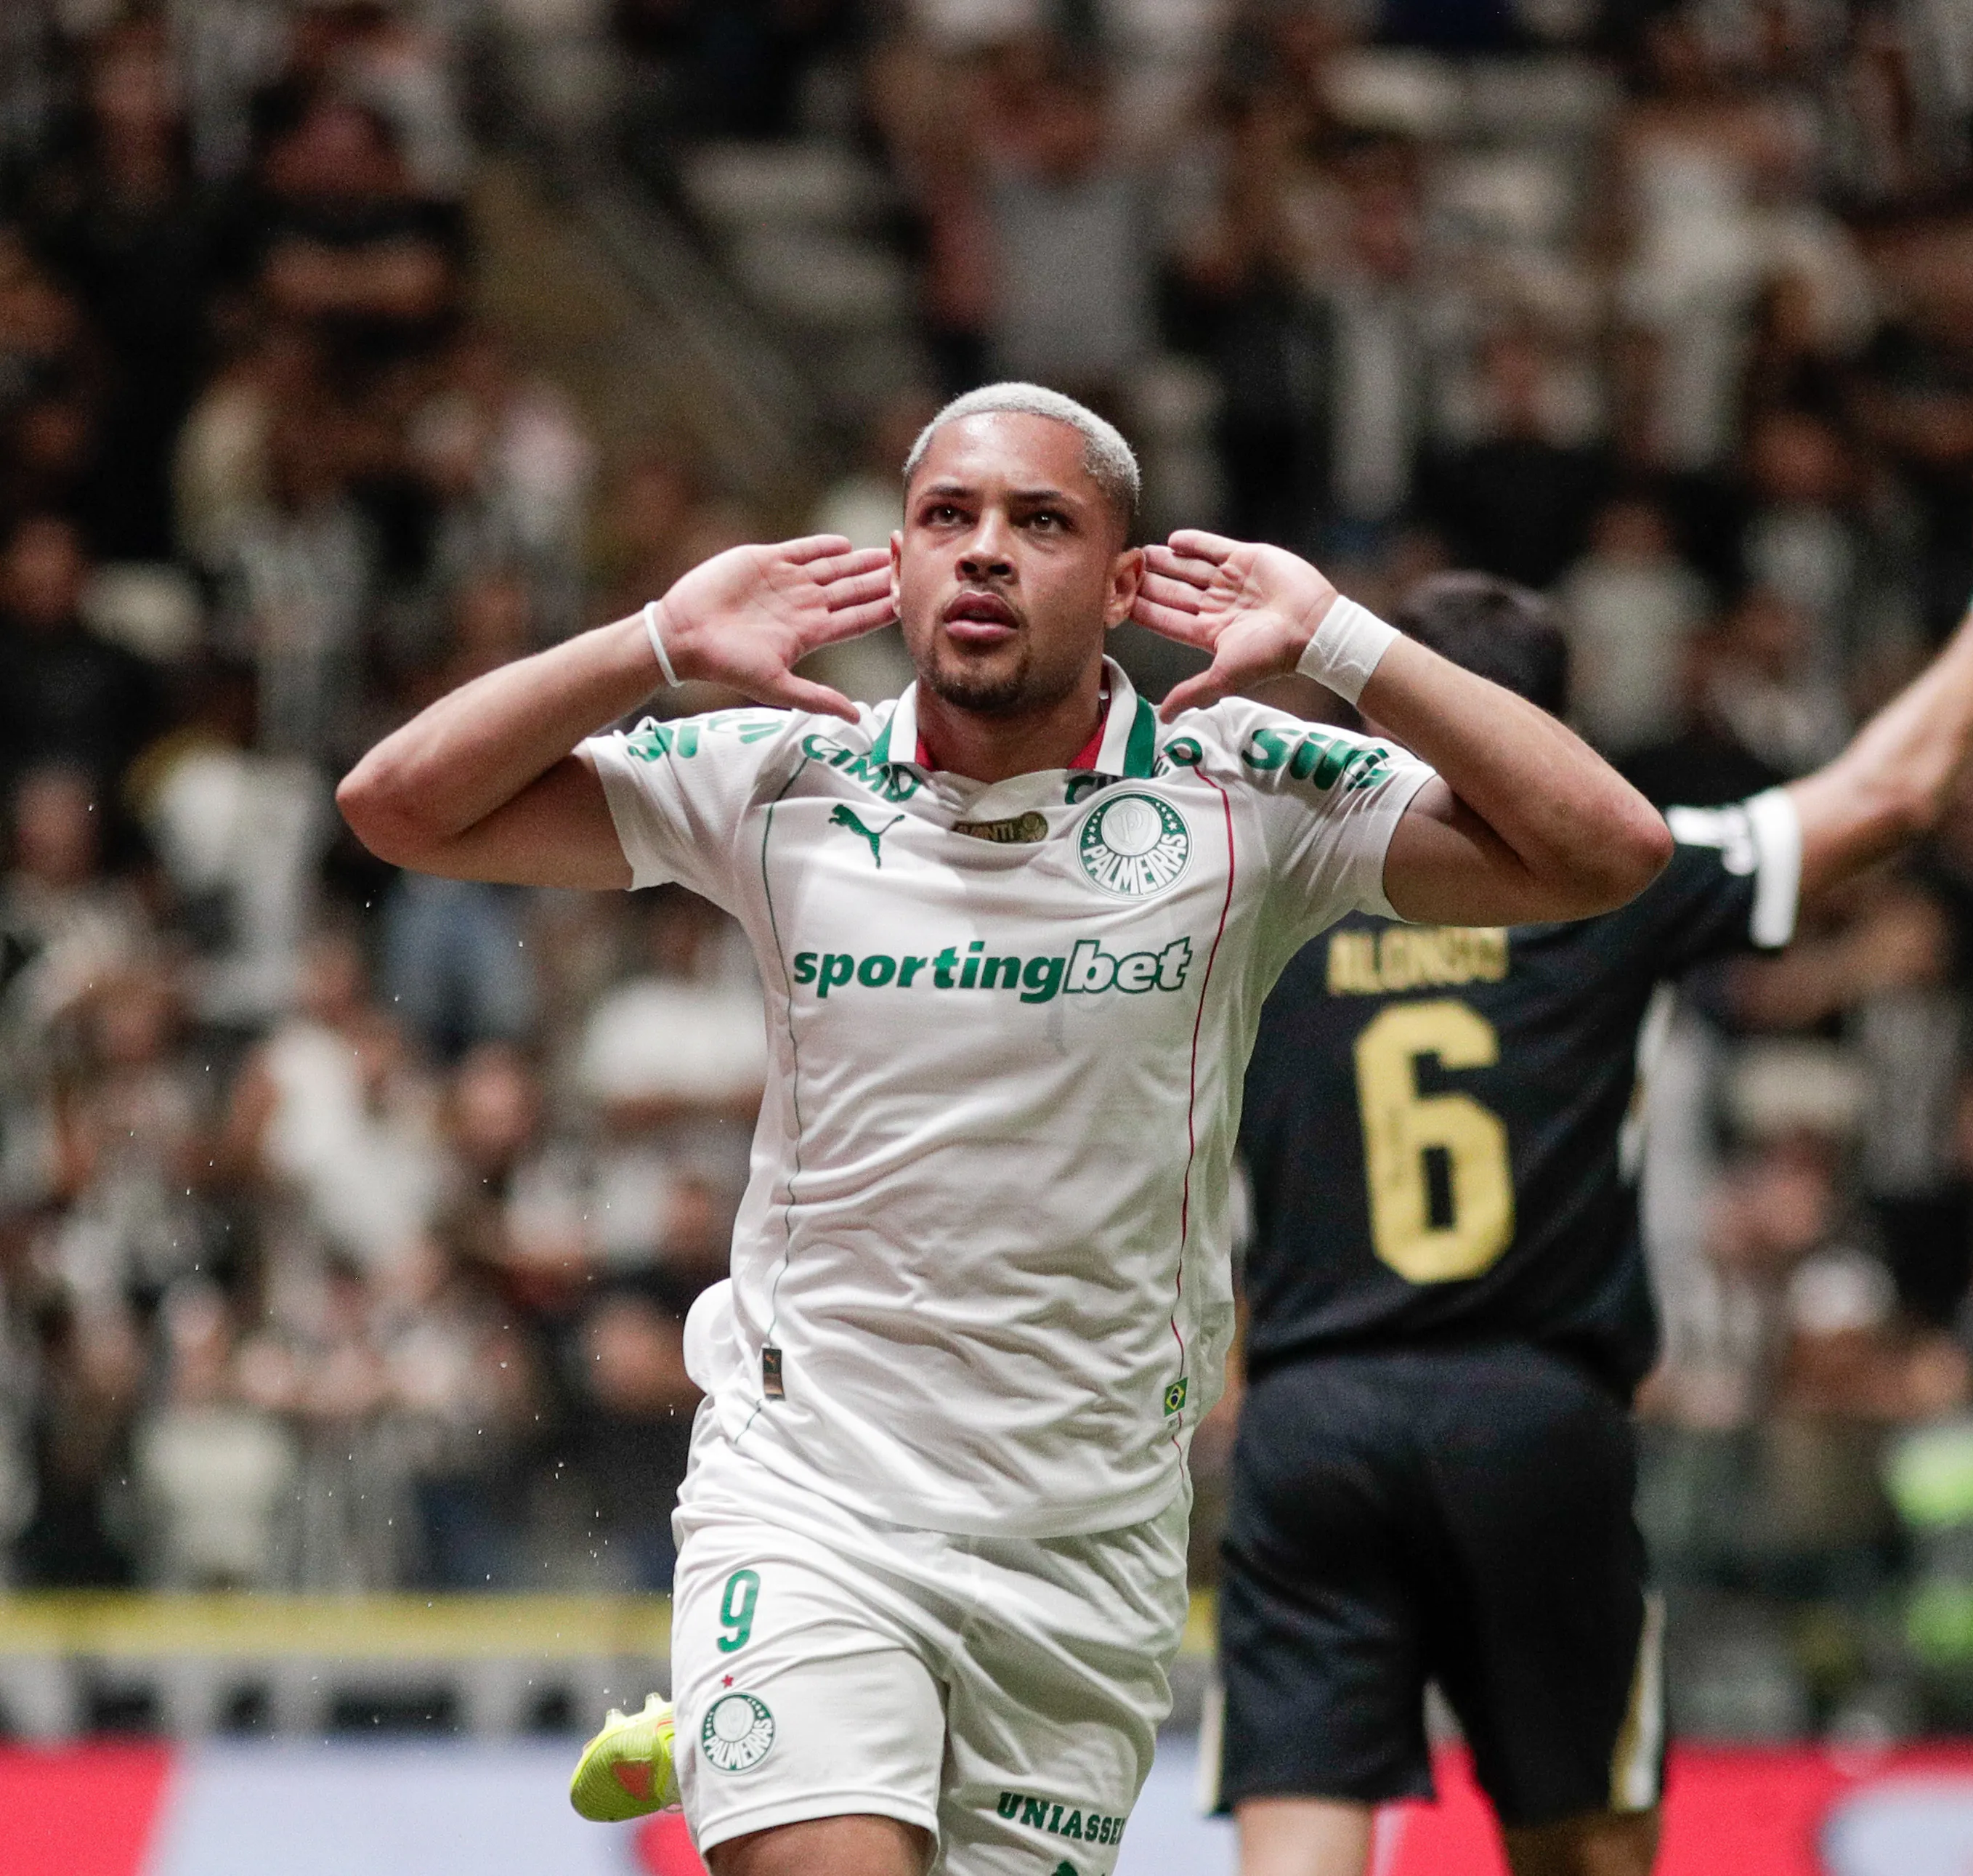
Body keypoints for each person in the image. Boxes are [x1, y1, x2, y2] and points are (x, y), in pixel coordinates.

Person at [333, 382, 1671, 1876]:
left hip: (1083, 1536)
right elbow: (397, 808)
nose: (983, 553)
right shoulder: (783, 772)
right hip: (813, 1495)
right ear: (895, 563)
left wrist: (1341, 642)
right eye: (945, 518)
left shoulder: (1244, 794)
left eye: (1040, 523)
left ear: (1119, 584)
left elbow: (1609, 854)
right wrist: (652, 643)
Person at [1212, 419, 1973, 1876]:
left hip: (1311, 1418)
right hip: (1532, 1415)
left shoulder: (1269, 894)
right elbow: (1886, 794)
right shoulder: (1613, 878)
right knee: (1588, 1852)